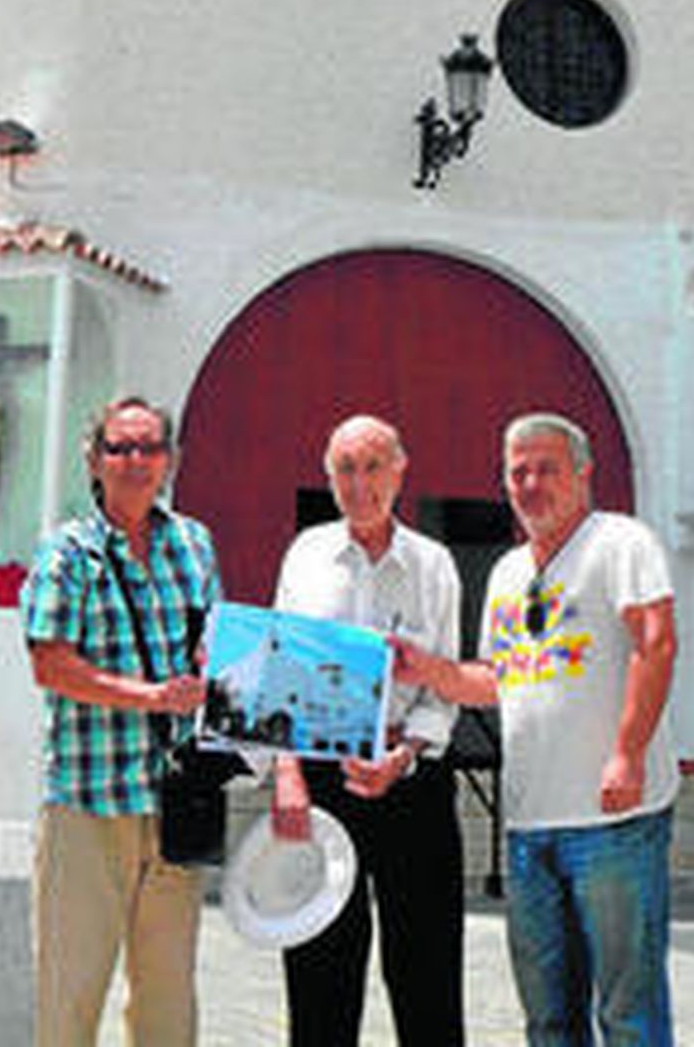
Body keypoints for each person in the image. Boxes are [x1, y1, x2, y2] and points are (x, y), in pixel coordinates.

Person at [394, 412, 679, 1046]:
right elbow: (498, 680)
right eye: (516, 472)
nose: (529, 484)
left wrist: (627, 754)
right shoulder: (506, 573)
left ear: (583, 473)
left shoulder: (621, 542)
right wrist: (431, 670)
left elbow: (655, 644)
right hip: (528, 828)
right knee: (548, 1018)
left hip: (615, 825)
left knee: (628, 1014)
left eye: (546, 469)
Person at [19, 395, 220, 1047]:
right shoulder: (66, 553)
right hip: (90, 804)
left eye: (150, 448)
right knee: (69, 997)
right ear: (95, 461)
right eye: (120, 448)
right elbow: (50, 664)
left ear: (170, 461)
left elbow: (212, 643)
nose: (136, 461)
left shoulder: (194, 544)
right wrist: (152, 697)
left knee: (168, 1002)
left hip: (173, 804)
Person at [271, 414, 466, 1046]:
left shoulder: (433, 564)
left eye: (373, 466)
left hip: (412, 781)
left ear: (400, 470)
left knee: (428, 975)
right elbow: (278, 676)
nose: (360, 484)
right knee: (320, 972)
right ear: (329, 478)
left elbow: (443, 686)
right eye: (345, 470)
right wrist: (287, 777)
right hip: (324, 780)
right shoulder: (306, 556)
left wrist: (403, 755)